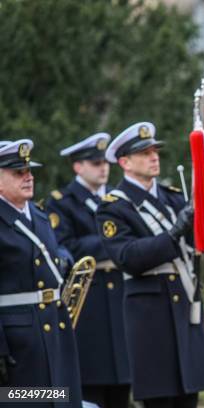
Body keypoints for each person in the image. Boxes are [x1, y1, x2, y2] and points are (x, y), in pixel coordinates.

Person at [95, 122, 204, 408]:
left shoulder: (173, 196)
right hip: (151, 315)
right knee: (160, 399)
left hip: (184, 308)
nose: (154, 157)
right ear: (124, 162)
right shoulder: (113, 206)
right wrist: (174, 232)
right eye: (145, 152)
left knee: (188, 397)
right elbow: (128, 257)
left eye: (155, 151)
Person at [46, 132, 131, 407]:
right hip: (89, 298)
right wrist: (115, 240)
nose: (103, 168)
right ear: (78, 166)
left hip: (120, 292)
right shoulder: (62, 202)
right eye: (95, 163)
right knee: (91, 381)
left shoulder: (118, 198)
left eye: (105, 162)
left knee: (124, 378)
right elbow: (66, 247)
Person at [0, 139, 82, 407]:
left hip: (54, 333)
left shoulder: (39, 215)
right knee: (25, 403)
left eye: (29, 171)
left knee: (59, 401)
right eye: (18, 173)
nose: (29, 177)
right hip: (18, 342)